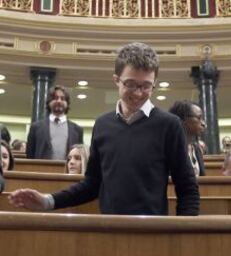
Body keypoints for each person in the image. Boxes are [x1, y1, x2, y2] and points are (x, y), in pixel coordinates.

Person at [9, 42, 200, 216]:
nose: (138, 93)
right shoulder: (102, 125)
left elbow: (187, 188)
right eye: (131, 84)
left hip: (153, 232)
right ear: (116, 79)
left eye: (146, 86)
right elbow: (92, 185)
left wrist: (183, 234)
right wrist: (48, 201)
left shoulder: (169, 125)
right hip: (108, 229)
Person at [26, 85, 84, 160]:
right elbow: (30, 156)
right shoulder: (36, 127)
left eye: (62, 98)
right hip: (41, 170)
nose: (59, 101)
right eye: (55, 98)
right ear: (49, 102)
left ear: (67, 103)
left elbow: (80, 157)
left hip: (68, 171)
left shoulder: (77, 130)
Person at [169, 100, 206, 176]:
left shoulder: (196, 149)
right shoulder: (169, 149)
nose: (203, 124)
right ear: (183, 119)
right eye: (199, 118)